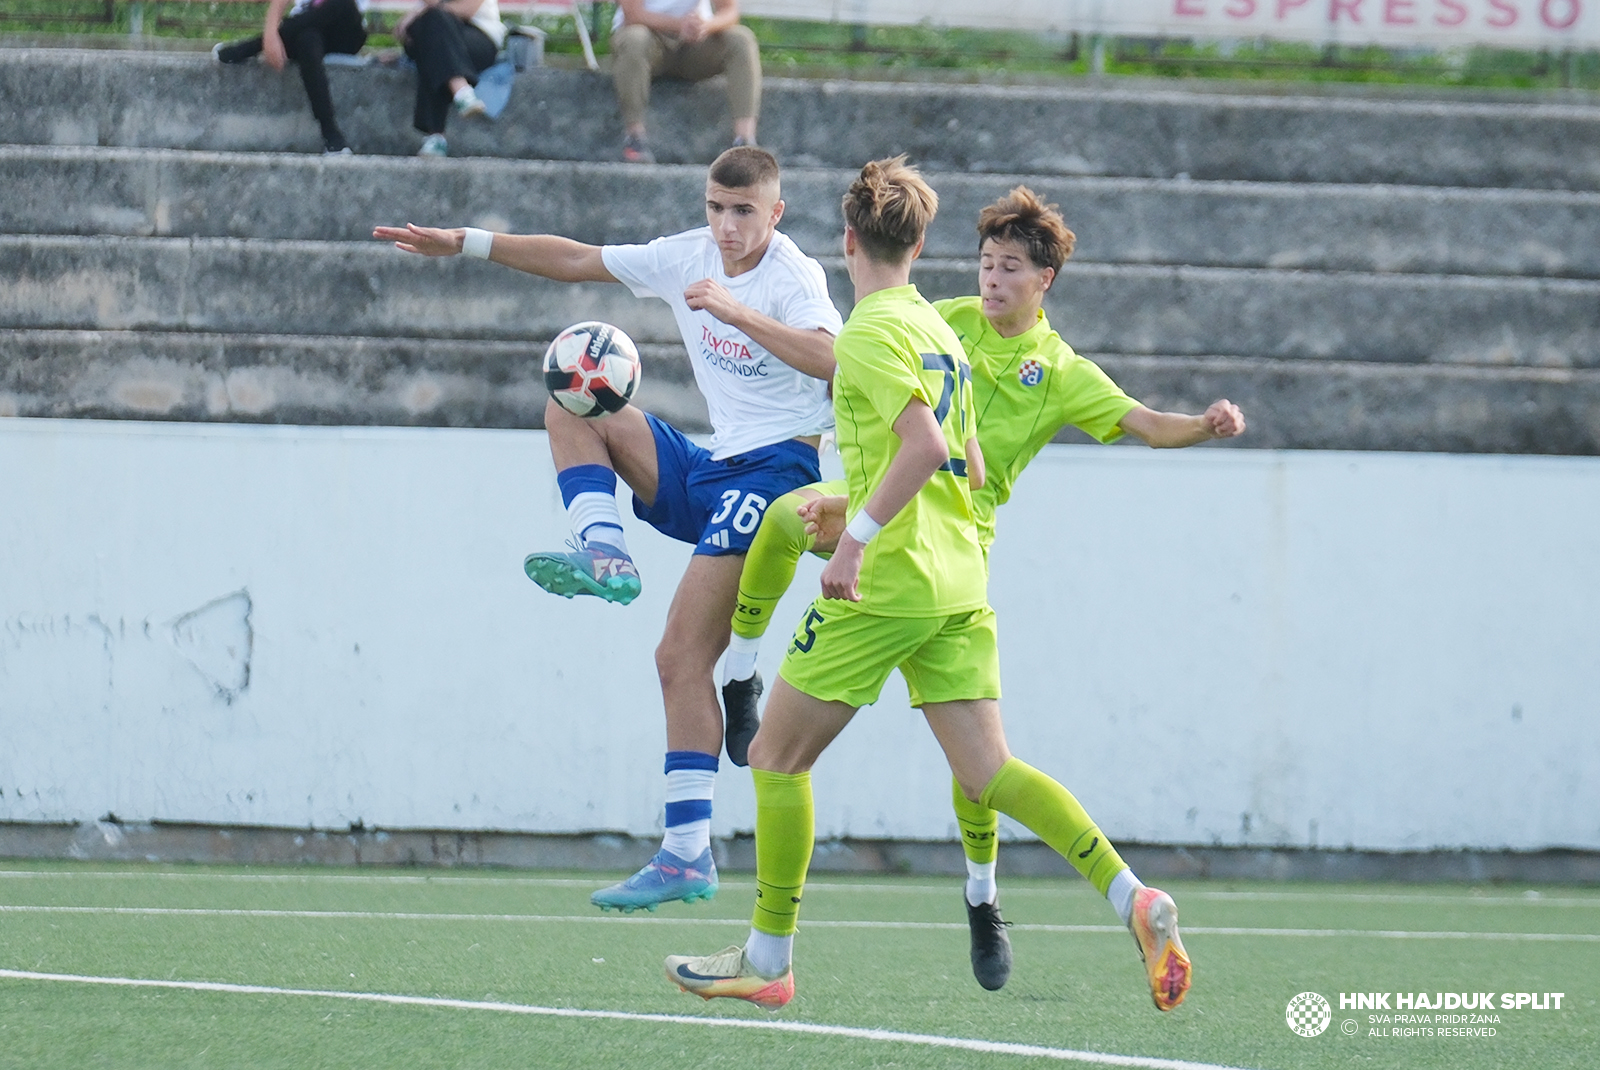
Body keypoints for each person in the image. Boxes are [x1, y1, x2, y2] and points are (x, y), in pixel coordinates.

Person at [664, 160, 1197, 1015]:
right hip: (958, 580)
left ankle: (768, 957)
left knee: (773, 757)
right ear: (919, 245)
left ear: (846, 242)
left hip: (887, 582)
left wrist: (856, 538)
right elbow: (970, 459)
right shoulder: (942, 330)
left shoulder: (875, 331)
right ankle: (1131, 894)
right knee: (991, 772)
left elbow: (920, 448)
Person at [372, 146, 841, 914]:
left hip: (778, 474)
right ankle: (605, 550)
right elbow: (578, 260)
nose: (725, 227)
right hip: (713, 466)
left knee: (678, 655)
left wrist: (736, 312)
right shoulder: (688, 254)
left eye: (744, 212)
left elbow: (829, 356)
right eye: (715, 208)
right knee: (571, 401)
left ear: (776, 212)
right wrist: (467, 242)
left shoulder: (793, 277)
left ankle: (687, 853)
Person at [610, 0, 761, 163]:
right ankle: (634, 138)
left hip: (695, 43)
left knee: (742, 40)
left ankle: (744, 142)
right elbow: (633, 15)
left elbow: (729, 11)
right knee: (634, 38)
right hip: (649, 40)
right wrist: (680, 25)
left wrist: (706, 26)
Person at [212, 0, 369, 156]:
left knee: (341, 3)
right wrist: (270, 35)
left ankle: (248, 48)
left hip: (345, 30)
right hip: (305, 27)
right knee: (307, 40)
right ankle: (332, 137)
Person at [393, 0, 505, 157]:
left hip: (476, 38)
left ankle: (435, 136)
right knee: (430, 31)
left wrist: (420, 13)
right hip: (436, 35)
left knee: (434, 25)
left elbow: (468, 9)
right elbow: (403, 32)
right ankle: (462, 92)